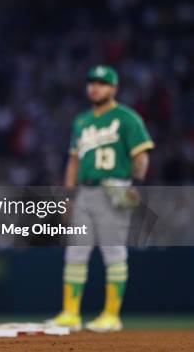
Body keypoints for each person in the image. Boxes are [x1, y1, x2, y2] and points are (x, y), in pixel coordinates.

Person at [47, 65, 154, 332]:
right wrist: (68, 195)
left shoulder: (127, 117)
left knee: (114, 251)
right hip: (85, 190)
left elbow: (141, 156)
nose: (95, 86)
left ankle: (111, 315)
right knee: (75, 253)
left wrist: (135, 183)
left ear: (114, 88)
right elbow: (73, 161)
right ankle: (70, 314)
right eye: (92, 82)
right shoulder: (82, 121)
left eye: (102, 83)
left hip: (114, 187)